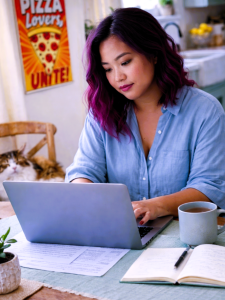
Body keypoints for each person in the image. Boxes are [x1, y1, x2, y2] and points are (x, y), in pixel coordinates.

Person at [66, 7, 225, 225]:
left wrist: (155, 206)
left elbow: (209, 188)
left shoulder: (205, 111)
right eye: (107, 69)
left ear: (153, 53)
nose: (118, 77)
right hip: (121, 234)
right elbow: (84, 170)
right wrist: (85, 191)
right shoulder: (102, 112)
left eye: (125, 62)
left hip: (185, 236)